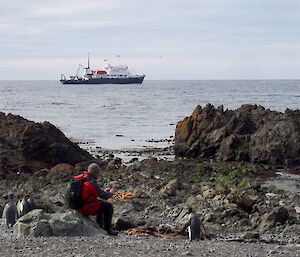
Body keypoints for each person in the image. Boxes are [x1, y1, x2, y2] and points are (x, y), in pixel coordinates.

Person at [75, 163, 118, 235]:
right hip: (85, 207)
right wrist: (111, 193)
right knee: (108, 206)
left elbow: (94, 193)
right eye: (98, 174)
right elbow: (104, 196)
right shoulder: (91, 182)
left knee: (100, 204)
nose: (98, 176)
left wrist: (103, 191)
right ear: (95, 173)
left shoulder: (83, 178)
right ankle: (108, 229)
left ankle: (100, 226)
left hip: (79, 205)